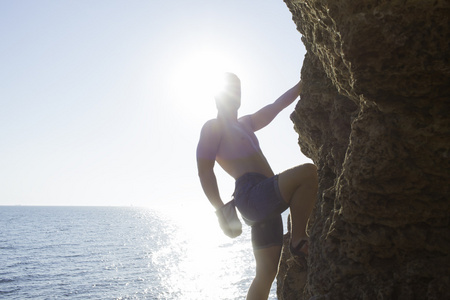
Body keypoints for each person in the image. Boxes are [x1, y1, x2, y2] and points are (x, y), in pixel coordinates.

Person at [196, 72, 318, 300]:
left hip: (266, 200)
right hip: (251, 195)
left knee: (266, 274)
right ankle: (298, 239)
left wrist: (304, 82)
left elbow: (277, 105)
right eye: (229, 89)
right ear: (217, 96)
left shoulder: (246, 123)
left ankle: (297, 239)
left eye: (237, 89)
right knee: (308, 174)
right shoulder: (213, 127)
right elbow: (204, 171)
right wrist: (221, 210)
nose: (234, 93)